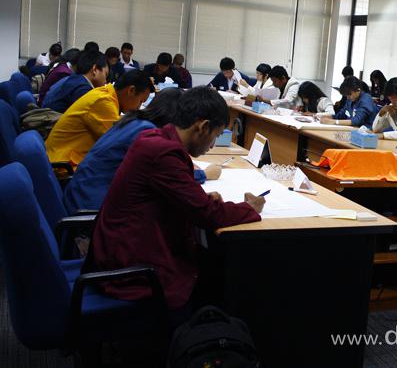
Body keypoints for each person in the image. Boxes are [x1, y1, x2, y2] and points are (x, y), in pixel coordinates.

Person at [83, 87, 264, 311]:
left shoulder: (155, 138)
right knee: (223, 277)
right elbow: (206, 214)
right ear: (202, 126)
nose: (212, 146)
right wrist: (249, 207)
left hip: (119, 248)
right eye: (216, 136)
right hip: (130, 268)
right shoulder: (164, 152)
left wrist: (196, 196)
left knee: (212, 263)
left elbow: (174, 195)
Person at [63, 89, 221, 213]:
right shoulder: (147, 133)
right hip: (92, 206)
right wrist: (203, 174)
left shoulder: (135, 121)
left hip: (81, 193)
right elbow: (168, 176)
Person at [45, 70, 154, 167]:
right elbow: (118, 143)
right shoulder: (103, 102)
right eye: (141, 101)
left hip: (65, 157)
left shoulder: (105, 94)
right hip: (65, 165)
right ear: (131, 90)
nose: (139, 107)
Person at [43, 50, 109, 113]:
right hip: (52, 119)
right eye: (105, 74)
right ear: (94, 70)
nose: (106, 81)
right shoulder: (82, 88)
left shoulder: (75, 79)